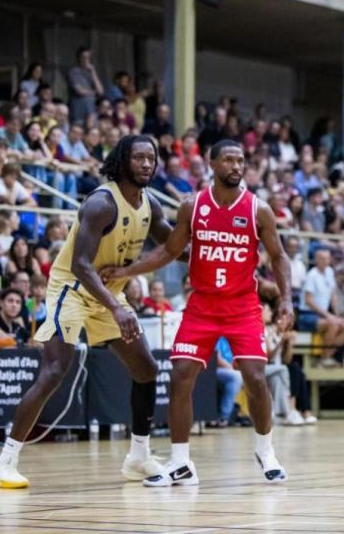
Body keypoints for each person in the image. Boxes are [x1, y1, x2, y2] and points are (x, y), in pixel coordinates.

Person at [101, 139, 294, 487]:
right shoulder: (193, 206)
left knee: (254, 376)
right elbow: (168, 251)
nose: (236, 167)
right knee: (180, 376)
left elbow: (279, 257)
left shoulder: (258, 209)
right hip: (202, 305)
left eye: (241, 161)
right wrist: (128, 271)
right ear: (212, 164)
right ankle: (181, 462)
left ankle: (265, 450)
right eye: (229, 161)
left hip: (242, 306)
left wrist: (287, 301)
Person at [0, 135, 169, 489]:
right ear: (123, 161)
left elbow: (174, 244)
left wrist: (212, 238)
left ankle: (138, 457)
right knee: (55, 370)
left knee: (146, 368)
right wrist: (117, 308)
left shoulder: (151, 205)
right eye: (139, 158)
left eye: (152, 158)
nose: (147, 164)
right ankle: (3, 462)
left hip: (108, 292)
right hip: (71, 288)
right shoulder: (101, 203)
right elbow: (81, 265)